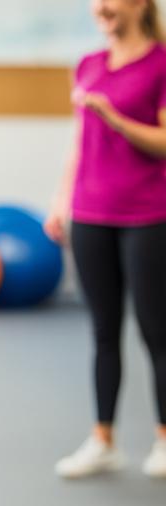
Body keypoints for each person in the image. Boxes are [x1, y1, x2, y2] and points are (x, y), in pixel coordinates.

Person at [48, 0, 166, 479]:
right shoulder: (89, 64)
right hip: (91, 212)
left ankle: (163, 437)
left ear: (139, 4)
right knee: (102, 330)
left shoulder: (161, 63)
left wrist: (113, 116)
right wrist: (61, 202)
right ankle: (104, 439)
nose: (100, 8)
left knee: (156, 331)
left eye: (110, 1)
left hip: (148, 214)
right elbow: (80, 142)